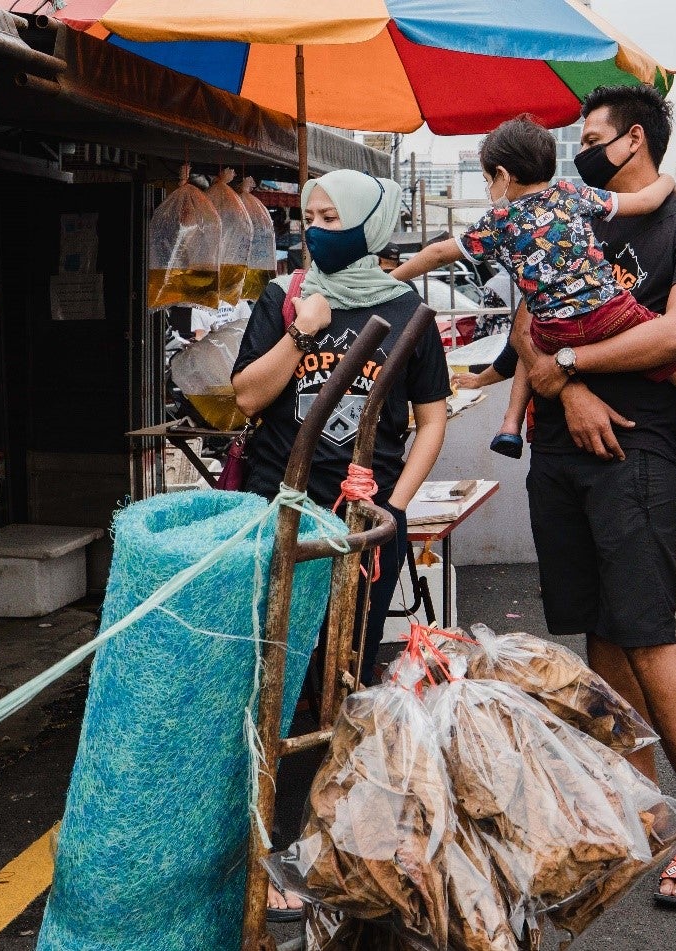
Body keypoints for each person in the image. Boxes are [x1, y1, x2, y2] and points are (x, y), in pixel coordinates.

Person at [502, 84, 676, 907]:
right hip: (557, 448)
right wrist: (558, 385)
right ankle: (641, 807)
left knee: (646, 632)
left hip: (635, 448)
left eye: (593, 134)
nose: (580, 147)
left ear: (632, 140)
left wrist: (570, 369)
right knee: (596, 630)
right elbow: (527, 314)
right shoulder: (577, 212)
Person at [231, 169, 451, 919]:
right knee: (274, 676)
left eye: (330, 215)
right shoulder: (285, 298)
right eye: (308, 213)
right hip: (279, 515)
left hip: (361, 529)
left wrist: (395, 499)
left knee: (342, 673)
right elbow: (247, 397)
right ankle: (269, 841)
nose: (313, 226)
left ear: (370, 224)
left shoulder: (408, 312)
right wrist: (303, 331)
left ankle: (324, 840)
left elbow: (432, 420)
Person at [393, 118, 676, 503]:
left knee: (529, 342)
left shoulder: (497, 222)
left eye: (488, 180)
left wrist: (394, 278)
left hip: (553, 331)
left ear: (502, 174)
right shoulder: (572, 194)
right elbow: (648, 200)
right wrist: (668, 181)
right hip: (610, 315)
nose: (490, 188)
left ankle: (510, 426)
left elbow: (439, 252)